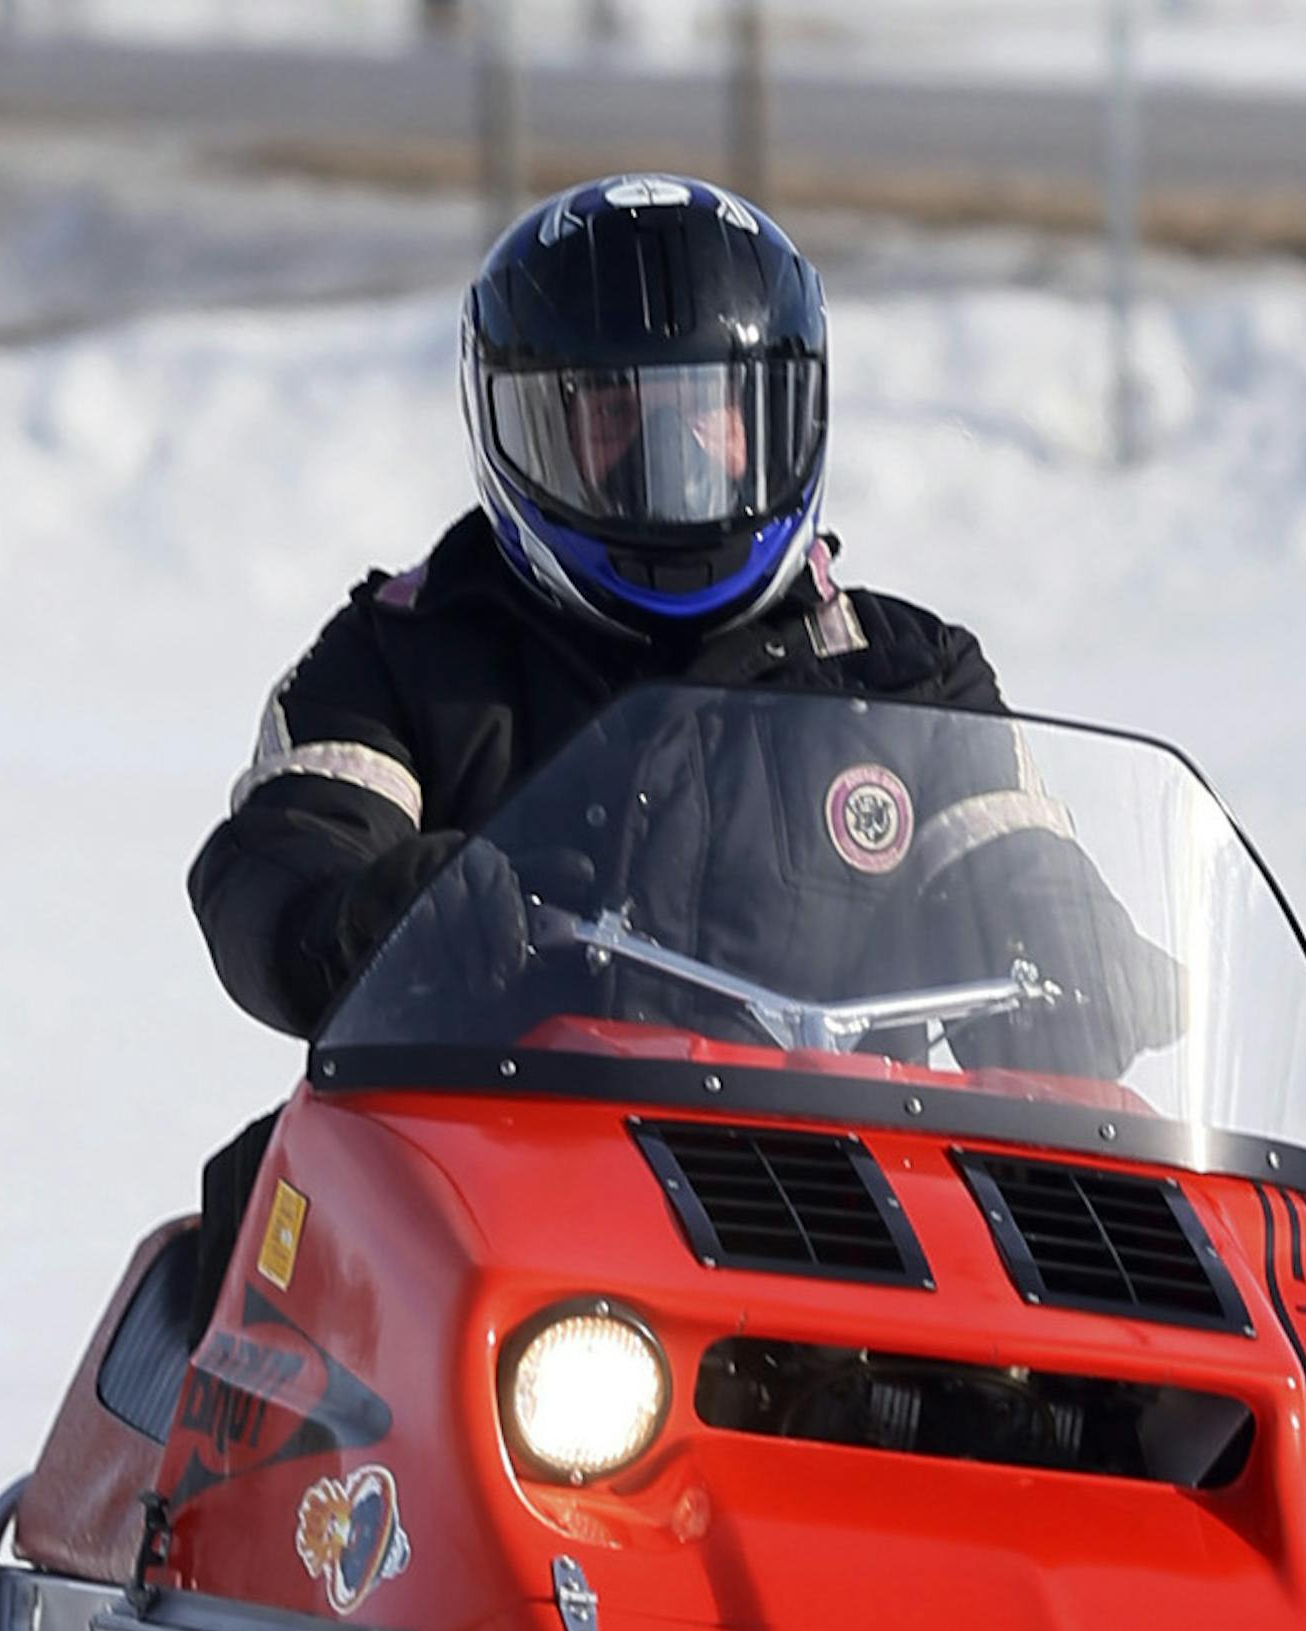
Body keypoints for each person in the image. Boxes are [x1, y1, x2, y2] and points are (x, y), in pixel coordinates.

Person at [188, 173, 1005, 1046]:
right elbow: (283, 860)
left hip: (834, 1164)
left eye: (704, 412)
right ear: (528, 424)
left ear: (772, 416)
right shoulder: (399, 659)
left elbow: (1020, 875)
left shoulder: (906, 679)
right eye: (619, 412)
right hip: (492, 1149)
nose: (670, 457)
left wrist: (1082, 951)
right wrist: (371, 913)